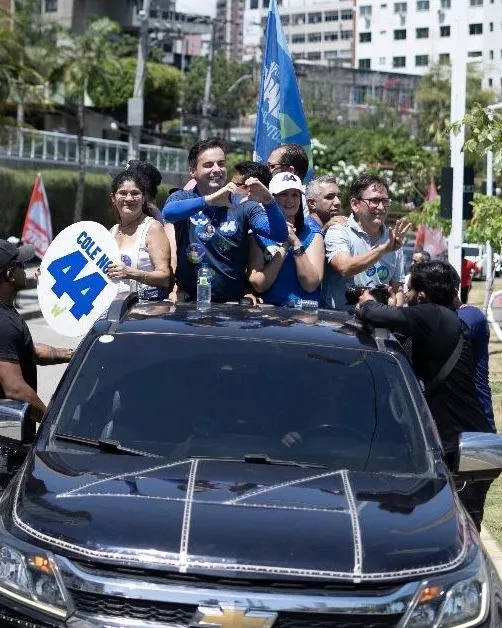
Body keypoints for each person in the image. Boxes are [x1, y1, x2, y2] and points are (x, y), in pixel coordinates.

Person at [355, 261, 494, 484]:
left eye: (409, 289)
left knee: (462, 515)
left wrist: (367, 302)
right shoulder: (442, 321)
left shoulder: (434, 316)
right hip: (461, 442)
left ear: (422, 294)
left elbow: (375, 314)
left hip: (461, 447)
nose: (407, 294)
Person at [162, 138, 287, 303]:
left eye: (221, 164)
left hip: (231, 306)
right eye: (208, 165)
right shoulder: (182, 197)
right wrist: (209, 201)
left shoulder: (244, 203)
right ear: (192, 171)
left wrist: (269, 202)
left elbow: (279, 234)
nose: (216, 169)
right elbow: (168, 213)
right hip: (189, 302)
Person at [0, 240, 73, 422]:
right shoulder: (4, 323)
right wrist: (52, 423)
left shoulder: (6, 314)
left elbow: (27, 351)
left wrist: (70, 355)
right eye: (21, 265)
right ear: (10, 275)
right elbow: (15, 388)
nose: (26, 269)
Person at [321, 173, 410, 311]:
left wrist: (394, 310)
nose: (381, 207)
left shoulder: (392, 240)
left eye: (385, 201)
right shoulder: (339, 231)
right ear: (355, 204)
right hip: (339, 324)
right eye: (374, 201)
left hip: (378, 323)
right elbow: (344, 268)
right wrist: (382, 250)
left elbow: (397, 288)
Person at [247, 173, 324, 306]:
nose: (290, 200)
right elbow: (258, 284)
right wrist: (285, 245)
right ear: (271, 198)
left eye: (295, 194)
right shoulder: (258, 234)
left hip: (305, 317)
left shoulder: (313, 233)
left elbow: (310, 284)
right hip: (271, 314)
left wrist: (296, 243)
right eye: (283, 194)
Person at [108, 170, 172, 301]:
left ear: (144, 199)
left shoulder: (153, 228)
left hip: (142, 313)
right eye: (123, 193)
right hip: (113, 311)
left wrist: (130, 273)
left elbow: (165, 278)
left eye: (135, 193)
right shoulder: (112, 232)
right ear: (113, 198)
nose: (129, 198)